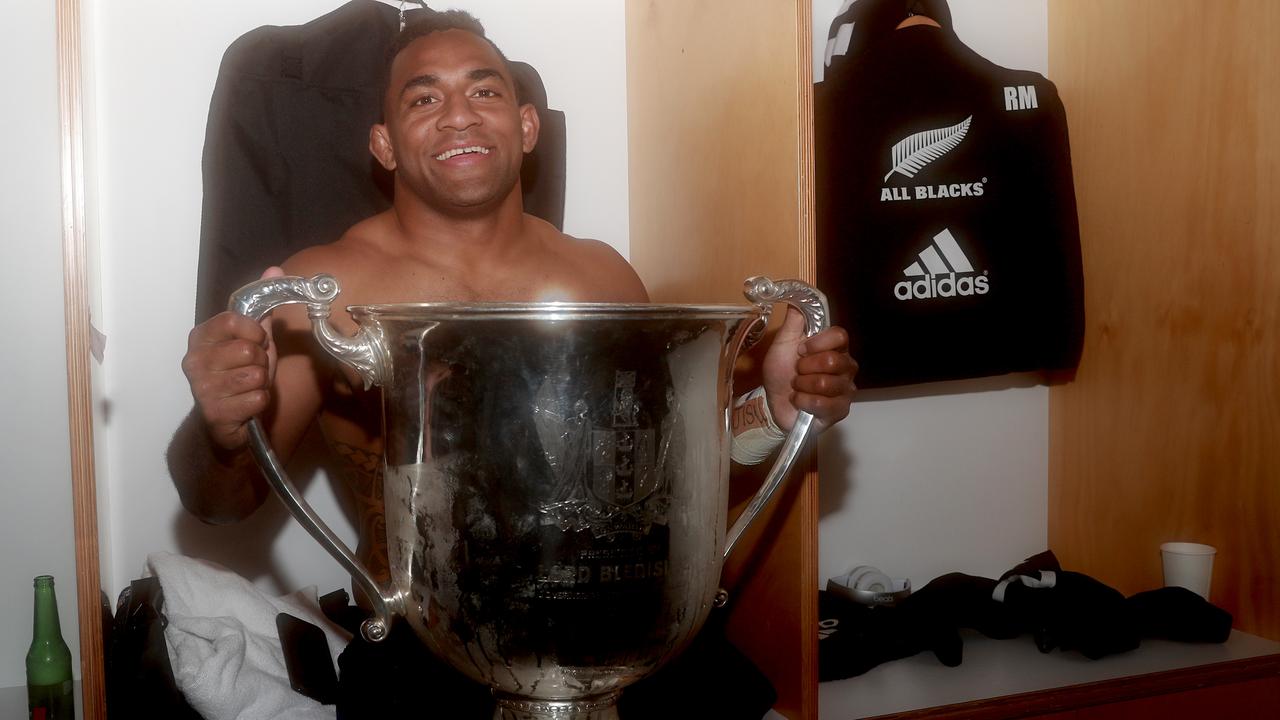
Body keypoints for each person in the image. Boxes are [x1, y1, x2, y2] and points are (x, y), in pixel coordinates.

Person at [169, 8, 855, 616]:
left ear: (526, 127)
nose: (459, 114)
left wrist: (775, 411)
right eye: (423, 98)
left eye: (485, 90)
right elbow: (219, 505)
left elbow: (668, 478)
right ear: (383, 145)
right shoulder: (324, 289)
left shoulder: (602, 277)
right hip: (425, 648)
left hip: (605, 619)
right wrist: (222, 428)